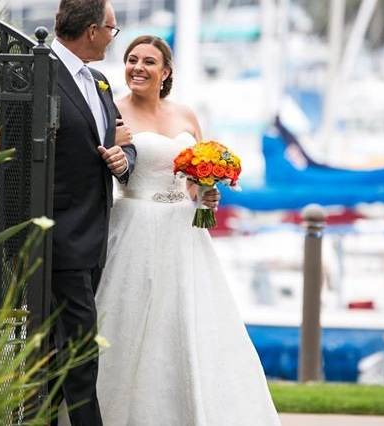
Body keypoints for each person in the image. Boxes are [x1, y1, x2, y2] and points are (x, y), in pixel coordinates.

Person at [93, 36, 281, 425]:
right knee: (128, 320)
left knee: (188, 321)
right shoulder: (112, 113)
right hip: (134, 226)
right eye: (131, 60)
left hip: (184, 231)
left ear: (165, 72)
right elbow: (106, 165)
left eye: (148, 61)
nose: (138, 67)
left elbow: (193, 182)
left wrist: (207, 194)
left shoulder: (186, 116)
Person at [48, 1, 136, 425]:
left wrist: (125, 160)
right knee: (80, 345)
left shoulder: (100, 82)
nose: (112, 36)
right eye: (111, 29)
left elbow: (124, 139)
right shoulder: (37, 72)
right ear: (90, 30)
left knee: (58, 345)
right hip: (57, 235)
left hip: (94, 235)